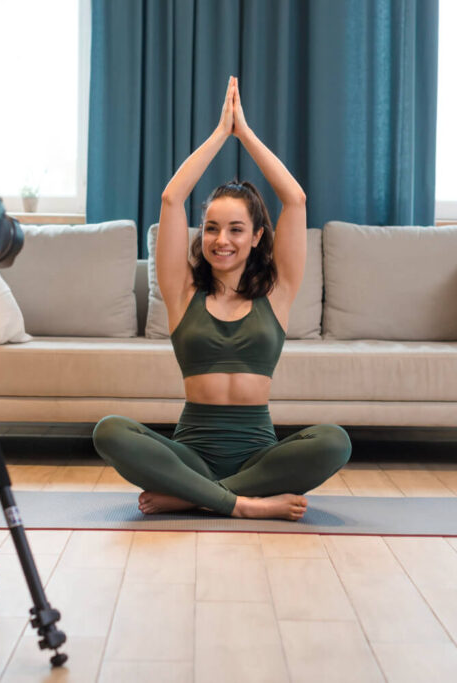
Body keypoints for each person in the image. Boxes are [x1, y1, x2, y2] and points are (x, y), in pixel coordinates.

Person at [93, 76, 351, 521]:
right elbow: (173, 198)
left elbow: (296, 198)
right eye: (211, 228)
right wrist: (219, 135)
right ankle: (241, 505)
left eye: (235, 229)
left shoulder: (279, 292)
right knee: (109, 431)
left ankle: (196, 497)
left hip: (258, 459)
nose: (221, 240)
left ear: (256, 237)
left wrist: (244, 134)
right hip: (188, 455)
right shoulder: (181, 291)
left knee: (335, 441)